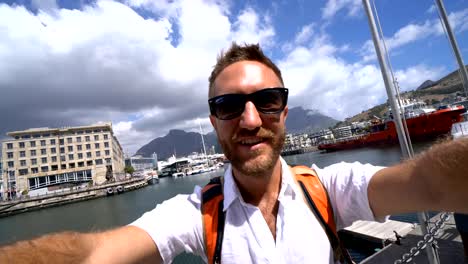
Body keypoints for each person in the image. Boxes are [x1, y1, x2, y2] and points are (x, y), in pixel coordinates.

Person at [1, 42, 468, 264]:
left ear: (284, 111)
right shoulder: (195, 214)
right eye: (229, 106)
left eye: (266, 101)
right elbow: (93, 253)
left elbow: (431, 181)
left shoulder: (329, 187)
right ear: (214, 121)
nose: (249, 120)